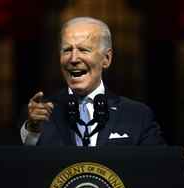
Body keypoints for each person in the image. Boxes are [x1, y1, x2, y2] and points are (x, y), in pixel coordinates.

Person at [19, 16, 166, 146]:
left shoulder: (137, 115)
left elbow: (158, 168)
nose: (73, 59)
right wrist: (32, 131)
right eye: (67, 50)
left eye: (83, 50)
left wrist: (177, 161)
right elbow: (15, 167)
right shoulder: (37, 116)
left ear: (106, 59)